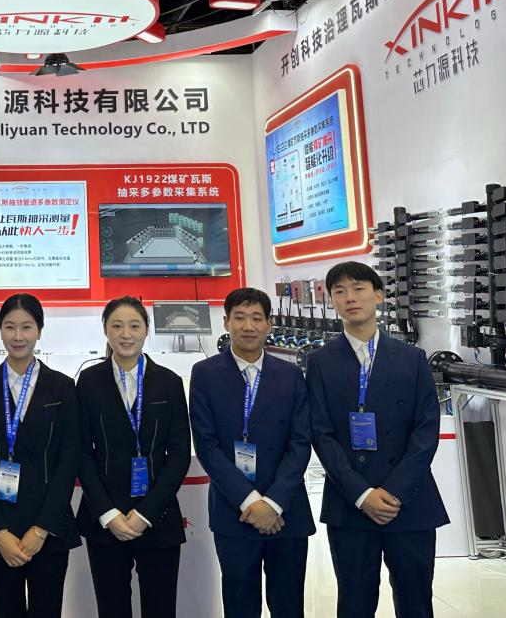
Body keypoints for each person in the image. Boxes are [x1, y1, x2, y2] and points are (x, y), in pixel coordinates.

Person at [306, 261, 449, 618]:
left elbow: (426, 429)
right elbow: (321, 433)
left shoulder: (412, 358)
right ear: (332, 301)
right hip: (349, 503)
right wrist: (362, 494)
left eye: (358, 288)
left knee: (416, 600)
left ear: (379, 296)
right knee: (354, 601)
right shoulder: (320, 362)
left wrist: (394, 491)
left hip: (409, 501)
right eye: (339, 292)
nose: (350, 298)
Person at [189, 288, 314, 618]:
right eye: (240, 318)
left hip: (286, 510)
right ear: (226, 322)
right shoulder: (205, 374)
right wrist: (251, 502)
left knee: (289, 604)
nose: (248, 326)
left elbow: (300, 442)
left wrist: (272, 503)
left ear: (268, 324)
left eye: (257, 318)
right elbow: (207, 445)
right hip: (234, 509)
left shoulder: (291, 375)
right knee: (240, 604)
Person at [76, 296, 190, 618]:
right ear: (105, 330)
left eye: (134, 326)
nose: (126, 334)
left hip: (158, 516)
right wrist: (108, 513)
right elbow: (81, 451)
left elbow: (179, 454)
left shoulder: (168, 382)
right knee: (111, 609)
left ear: (146, 330)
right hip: (106, 518)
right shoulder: (89, 381)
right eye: (117, 326)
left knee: (161, 608)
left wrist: (146, 513)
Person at [0, 294, 80, 618]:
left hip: (49, 527)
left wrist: (42, 528)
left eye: (26, 327)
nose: (18, 336)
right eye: (10, 327)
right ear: (0, 330)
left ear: (39, 330)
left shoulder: (62, 388)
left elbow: (68, 459)